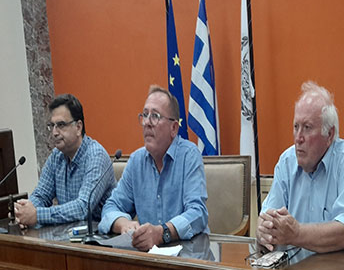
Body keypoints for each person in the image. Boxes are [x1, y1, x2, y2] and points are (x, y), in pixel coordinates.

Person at [256, 81, 344, 253]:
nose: (298, 138)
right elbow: (266, 218)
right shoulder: (286, 161)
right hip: (293, 266)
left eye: (307, 128)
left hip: (341, 266)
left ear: (329, 134)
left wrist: (297, 233)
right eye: (296, 127)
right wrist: (263, 230)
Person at [99, 85, 209, 251]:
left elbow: (198, 213)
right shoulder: (136, 160)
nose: (147, 123)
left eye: (155, 116)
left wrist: (162, 233)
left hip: (189, 254)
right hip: (148, 256)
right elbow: (111, 207)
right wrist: (124, 224)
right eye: (145, 115)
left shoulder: (189, 155)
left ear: (173, 128)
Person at [14, 94, 116, 227]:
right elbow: (41, 195)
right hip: (66, 234)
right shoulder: (56, 156)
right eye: (52, 125)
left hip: (99, 235)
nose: (54, 133)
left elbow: (83, 207)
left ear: (78, 127)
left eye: (61, 125)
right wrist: (24, 212)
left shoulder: (96, 156)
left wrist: (37, 215)